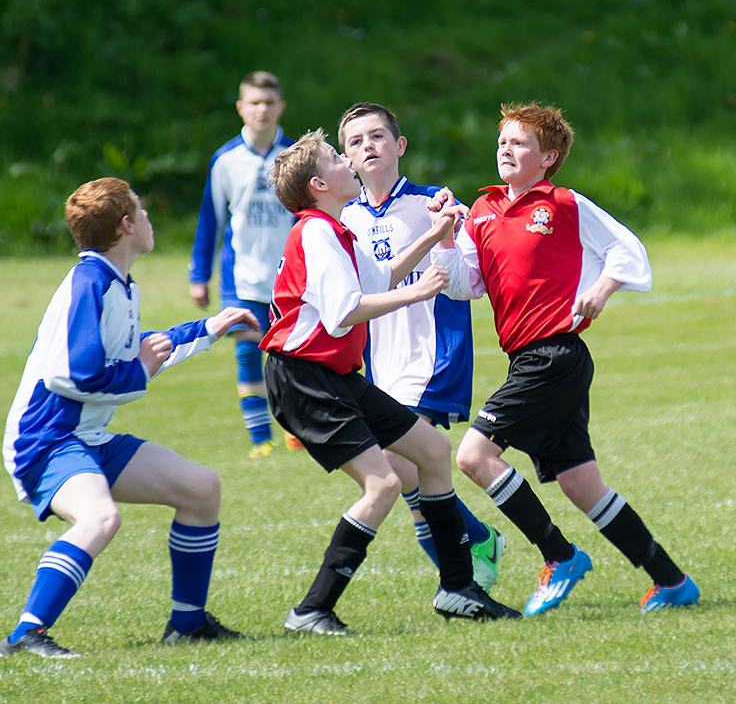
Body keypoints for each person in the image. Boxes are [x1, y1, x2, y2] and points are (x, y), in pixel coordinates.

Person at [260, 129, 522, 635]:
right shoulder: (314, 231)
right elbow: (343, 314)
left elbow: (376, 279)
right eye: (338, 156)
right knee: (383, 483)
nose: (347, 160)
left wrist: (430, 237)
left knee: (430, 452)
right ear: (319, 183)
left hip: (330, 373)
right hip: (304, 378)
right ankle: (313, 609)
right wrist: (418, 292)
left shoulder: (333, 229)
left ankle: (458, 588)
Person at [449, 103, 700, 615]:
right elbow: (464, 285)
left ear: (549, 157)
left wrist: (602, 290)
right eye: (502, 141)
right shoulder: (482, 213)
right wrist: (440, 239)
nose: (506, 149)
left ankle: (559, 556)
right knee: (580, 483)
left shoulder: (562, 203)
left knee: (474, 456)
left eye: (520, 143)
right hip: (527, 360)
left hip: (556, 355)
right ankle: (672, 582)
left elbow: (627, 249)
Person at [0, 177, 259, 659]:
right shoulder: (89, 283)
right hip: (47, 438)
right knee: (100, 517)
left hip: (87, 436)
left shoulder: (117, 283)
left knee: (201, 488)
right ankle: (25, 634)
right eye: (142, 211)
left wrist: (208, 328)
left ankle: (187, 623)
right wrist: (138, 372)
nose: (149, 219)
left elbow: (141, 352)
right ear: (126, 225)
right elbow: (70, 374)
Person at [338, 102, 503, 592]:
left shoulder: (435, 202)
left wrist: (454, 224)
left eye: (377, 137)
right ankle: (473, 546)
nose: (368, 146)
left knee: (395, 463)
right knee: (408, 475)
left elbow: (463, 272)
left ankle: (462, 574)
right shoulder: (343, 217)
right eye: (355, 141)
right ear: (345, 159)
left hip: (432, 353)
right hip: (379, 358)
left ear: (400, 146)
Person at [189, 70, 297, 457]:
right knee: (248, 356)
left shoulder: (296, 157)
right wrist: (199, 276)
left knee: (291, 360)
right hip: (241, 281)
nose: (262, 110)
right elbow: (210, 222)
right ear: (240, 108)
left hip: (290, 281)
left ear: (280, 107)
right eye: (254, 103)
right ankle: (259, 441)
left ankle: (294, 429)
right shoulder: (226, 160)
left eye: (269, 102)